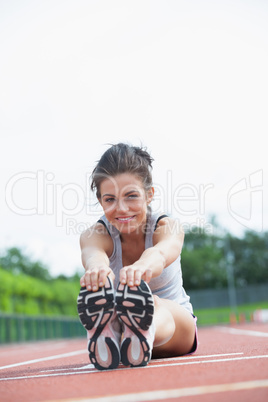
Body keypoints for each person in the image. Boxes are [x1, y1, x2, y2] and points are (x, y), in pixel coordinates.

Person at [77, 143, 197, 370]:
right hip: (125, 334)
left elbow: (160, 254)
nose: (121, 209)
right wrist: (97, 269)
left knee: (154, 304)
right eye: (110, 199)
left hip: (176, 327)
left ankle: (142, 326)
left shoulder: (168, 226)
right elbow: (93, 254)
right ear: (101, 200)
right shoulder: (95, 234)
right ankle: (113, 331)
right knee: (118, 306)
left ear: (149, 194)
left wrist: (142, 266)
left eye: (131, 196)